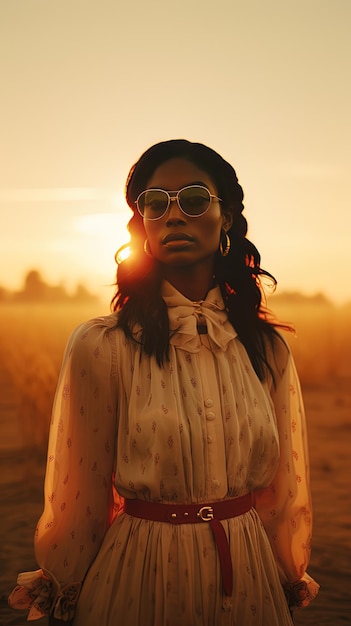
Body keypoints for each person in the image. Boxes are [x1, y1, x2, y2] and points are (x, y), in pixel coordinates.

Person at [9, 139, 319, 625]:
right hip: (138, 578)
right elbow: (78, 497)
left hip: (249, 578)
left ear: (227, 218)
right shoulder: (102, 345)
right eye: (157, 203)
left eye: (194, 199)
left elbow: (284, 493)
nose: (174, 215)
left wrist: (284, 576)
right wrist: (63, 587)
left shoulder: (266, 350)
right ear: (143, 226)